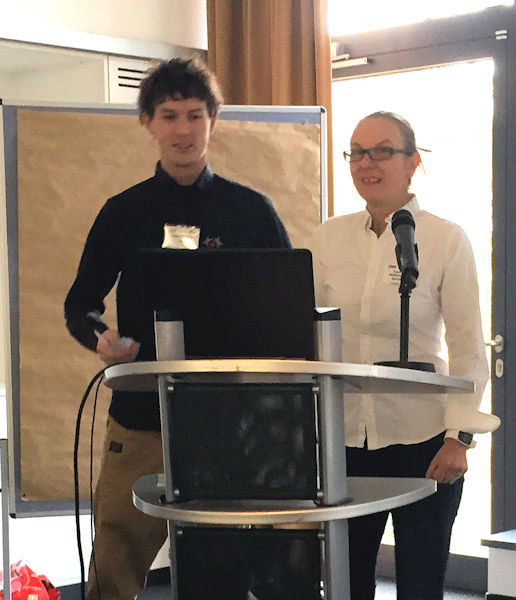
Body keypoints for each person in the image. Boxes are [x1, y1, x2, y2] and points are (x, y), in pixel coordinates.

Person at [64, 57, 290, 600]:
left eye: (194, 115)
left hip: (227, 417)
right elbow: (80, 304)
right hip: (141, 412)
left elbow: (286, 307)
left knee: (223, 561)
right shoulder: (123, 212)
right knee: (116, 553)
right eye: (169, 116)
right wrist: (101, 339)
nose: (183, 130)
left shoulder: (250, 211)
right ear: (148, 122)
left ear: (214, 120)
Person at [310, 111, 497, 599]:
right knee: (346, 584)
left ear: (413, 162)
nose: (366, 163)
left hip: (426, 442)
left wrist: (459, 439)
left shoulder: (444, 238)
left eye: (382, 151)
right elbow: (306, 334)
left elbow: (467, 348)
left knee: (420, 584)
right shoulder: (328, 237)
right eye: (357, 152)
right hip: (345, 442)